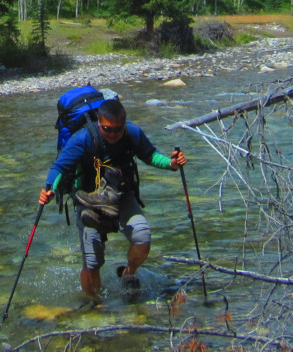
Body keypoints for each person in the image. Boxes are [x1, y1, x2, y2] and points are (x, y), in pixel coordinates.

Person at [38, 97, 186, 298]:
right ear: (100, 123)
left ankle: (128, 273)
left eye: (118, 129)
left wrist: (171, 164)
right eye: (108, 129)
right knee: (91, 264)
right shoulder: (82, 139)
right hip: (88, 201)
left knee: (142, 238)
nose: (114, 134)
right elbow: (59, 168)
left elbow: (150, 155)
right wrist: (50, 189)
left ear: (124, 124)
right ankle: (94, 305)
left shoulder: (132, 132)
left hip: (122, 196)